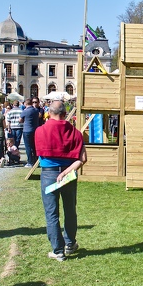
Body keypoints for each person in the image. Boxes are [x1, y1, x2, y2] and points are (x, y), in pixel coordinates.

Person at [34, 100, 86, 261]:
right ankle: (70, 243)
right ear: (65, 114)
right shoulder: (75, 132)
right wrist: (66, 172)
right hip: (69, 174)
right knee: (70, 210)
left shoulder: (40, 131)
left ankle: (58, 250)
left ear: (49, 113)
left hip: (49, 174)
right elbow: (83, 158)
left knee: (52, 213)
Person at [20, 97, 43, 167]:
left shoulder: (25, 111)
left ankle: (30, 162)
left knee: (28, 146)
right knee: (34, 146)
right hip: (35, 129)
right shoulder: (36, 110)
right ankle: (36, 160)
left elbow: (20, 120)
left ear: (26, 103)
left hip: (27, 130)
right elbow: (39, 116)